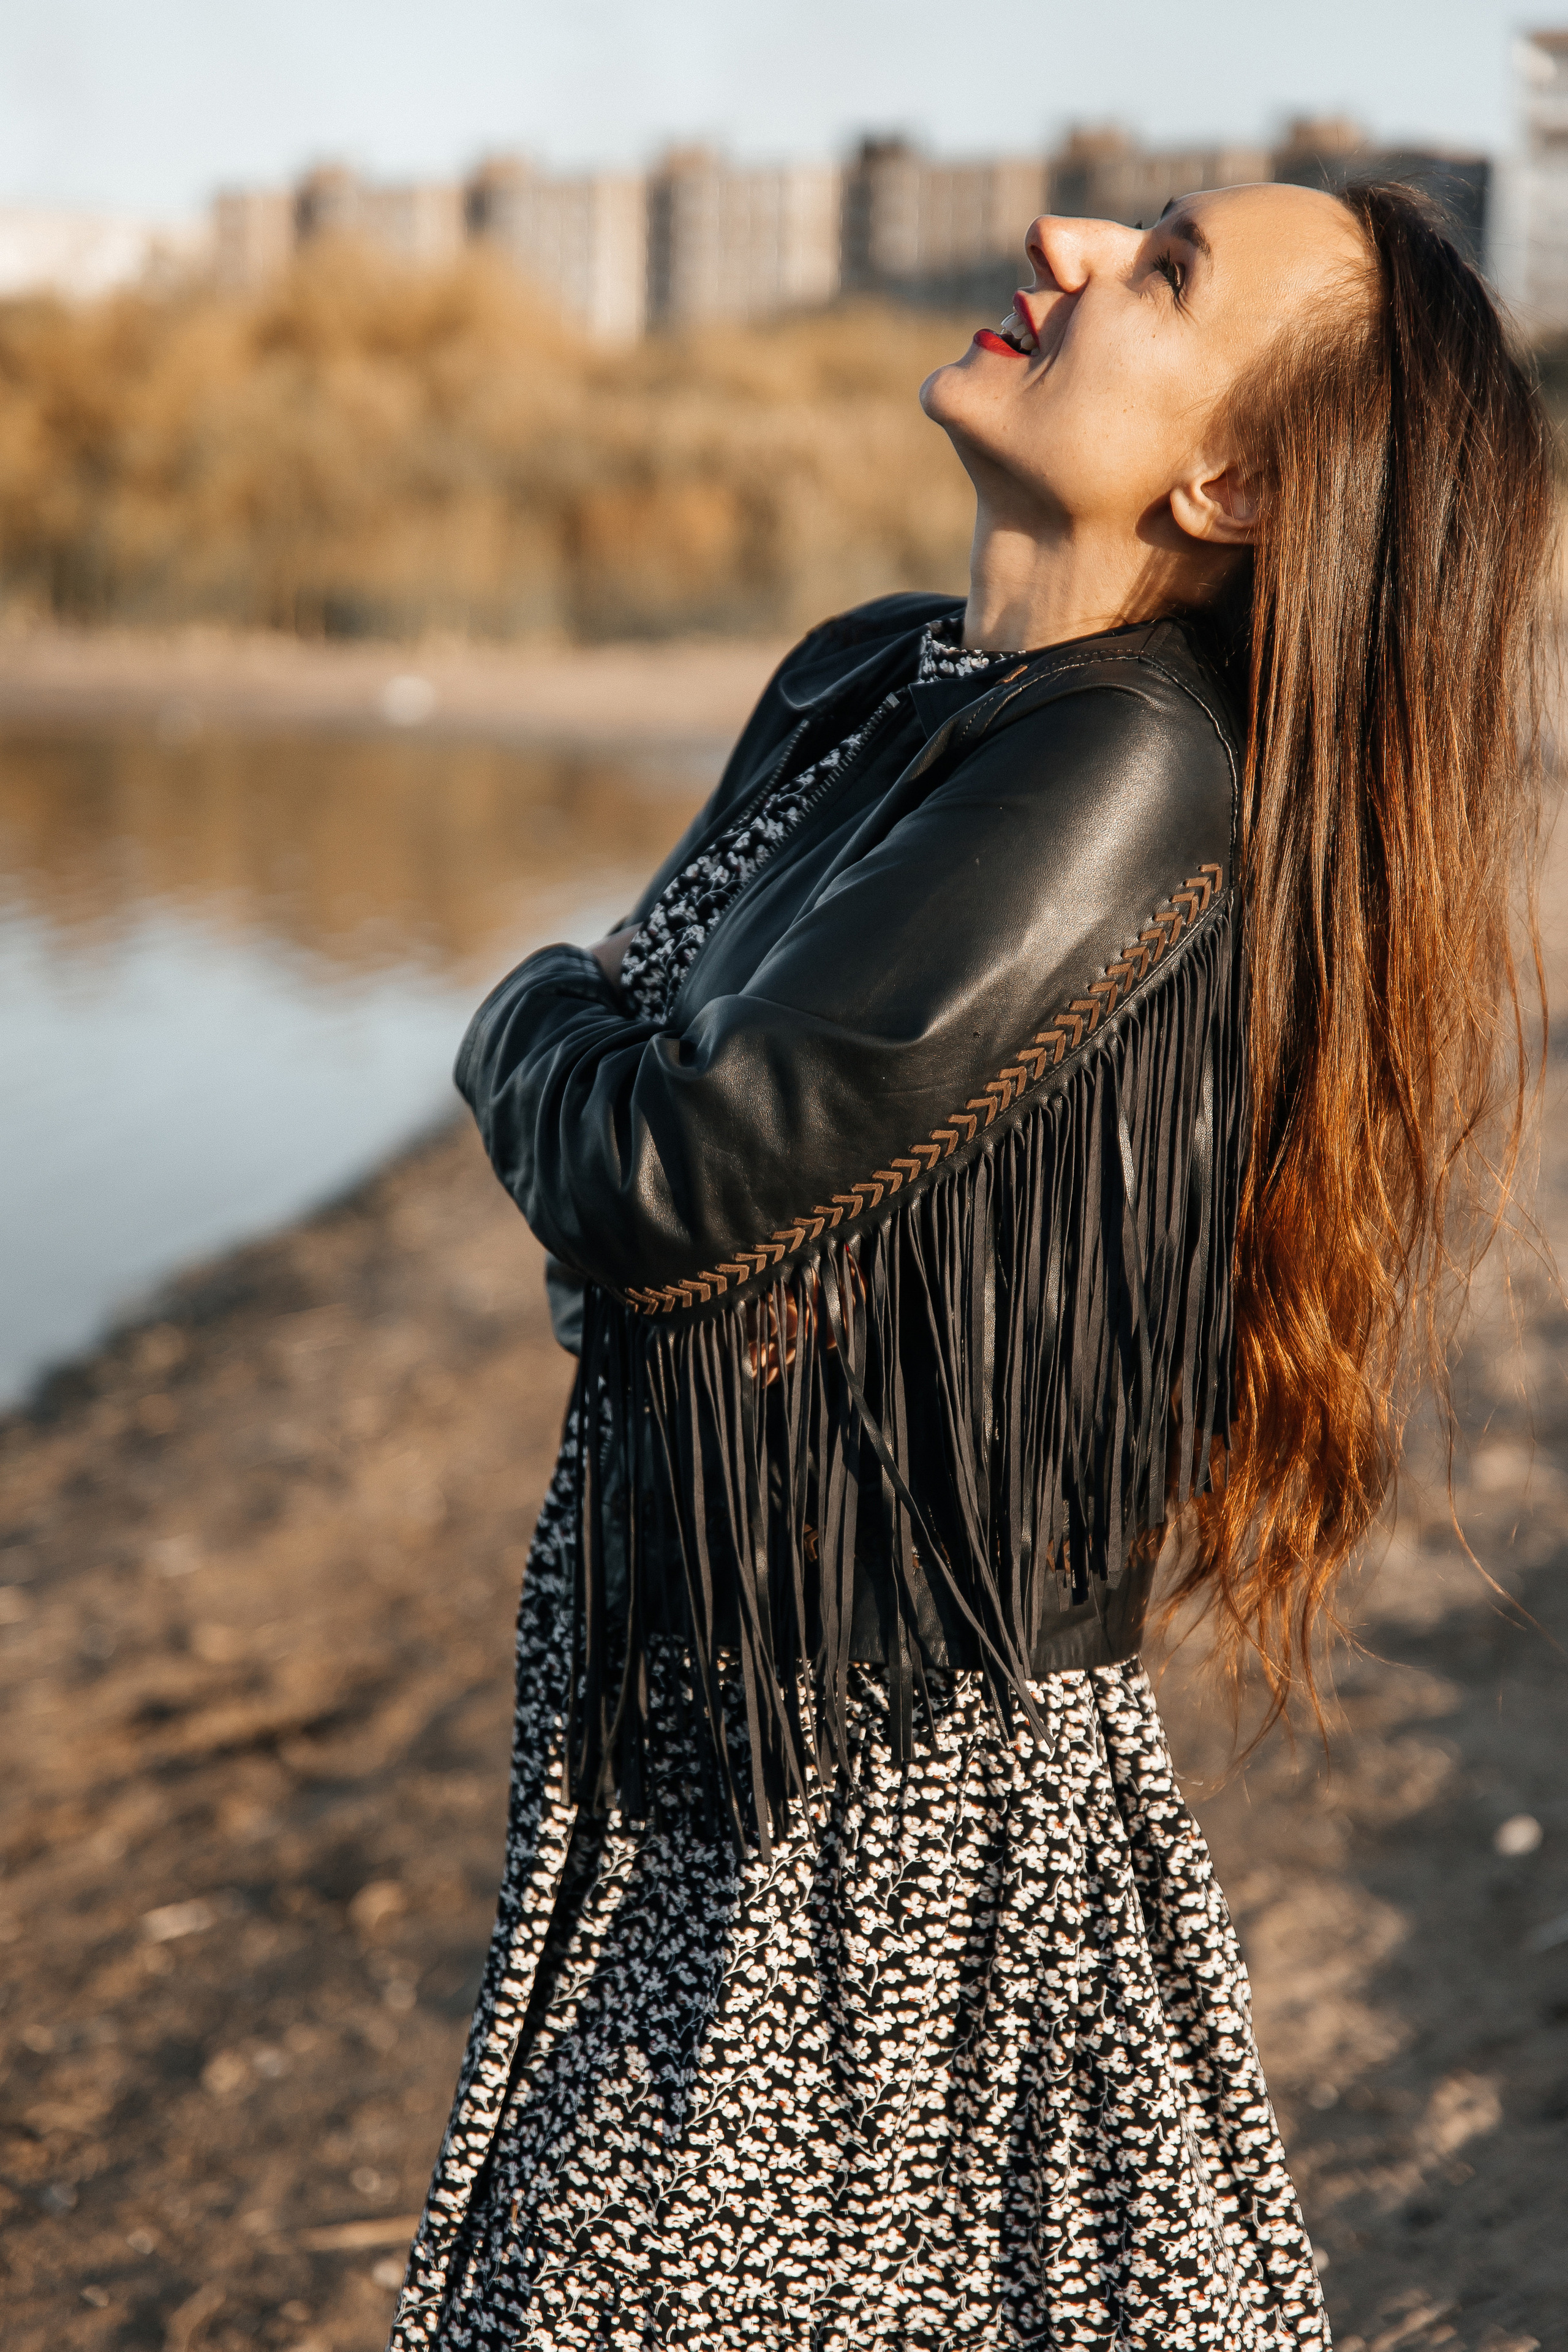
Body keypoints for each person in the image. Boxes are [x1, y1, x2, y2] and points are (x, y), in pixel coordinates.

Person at [390, 179, 1551, 2350]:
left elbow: (669, 1158)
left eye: (1172, 263)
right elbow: (653, 1162)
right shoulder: (866, 679)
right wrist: (607, 1082)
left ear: (1234, 477)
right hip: (690, 1684)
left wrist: (506, 1011)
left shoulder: (1127, 766)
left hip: (878, 1772)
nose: (1068, 230)